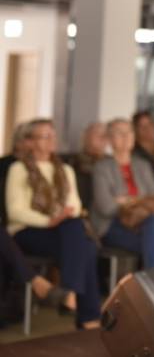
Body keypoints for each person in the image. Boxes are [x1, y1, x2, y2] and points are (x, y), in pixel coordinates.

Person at [4, 119, 101, 328]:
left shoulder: (65, 169)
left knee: (79, 234)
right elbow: (15, 212)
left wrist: (61, 217)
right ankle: (88, 316)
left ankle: (70, 293)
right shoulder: (18, 169)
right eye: (45, 136)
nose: (52, 140)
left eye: (53, 135)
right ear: (30, 141)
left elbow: (75, 205)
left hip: (62, 230)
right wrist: (49, 221)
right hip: (27, 231)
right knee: (86, 247)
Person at [91, 119, 154, 269]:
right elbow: (106, 207)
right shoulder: (101, 167)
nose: (126, 136)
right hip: (112, 225)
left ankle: (151, 281)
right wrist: (141, 200)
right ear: (109, 139)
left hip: (143, 223)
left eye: (129, 132)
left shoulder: (143, 165)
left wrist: (126, 200)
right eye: (119, 133)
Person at [74, 121, 108, 211]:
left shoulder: (113, 162)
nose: (103, 138)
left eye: (106, 135)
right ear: (85, 137)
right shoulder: (73, 162)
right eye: (97, 134)